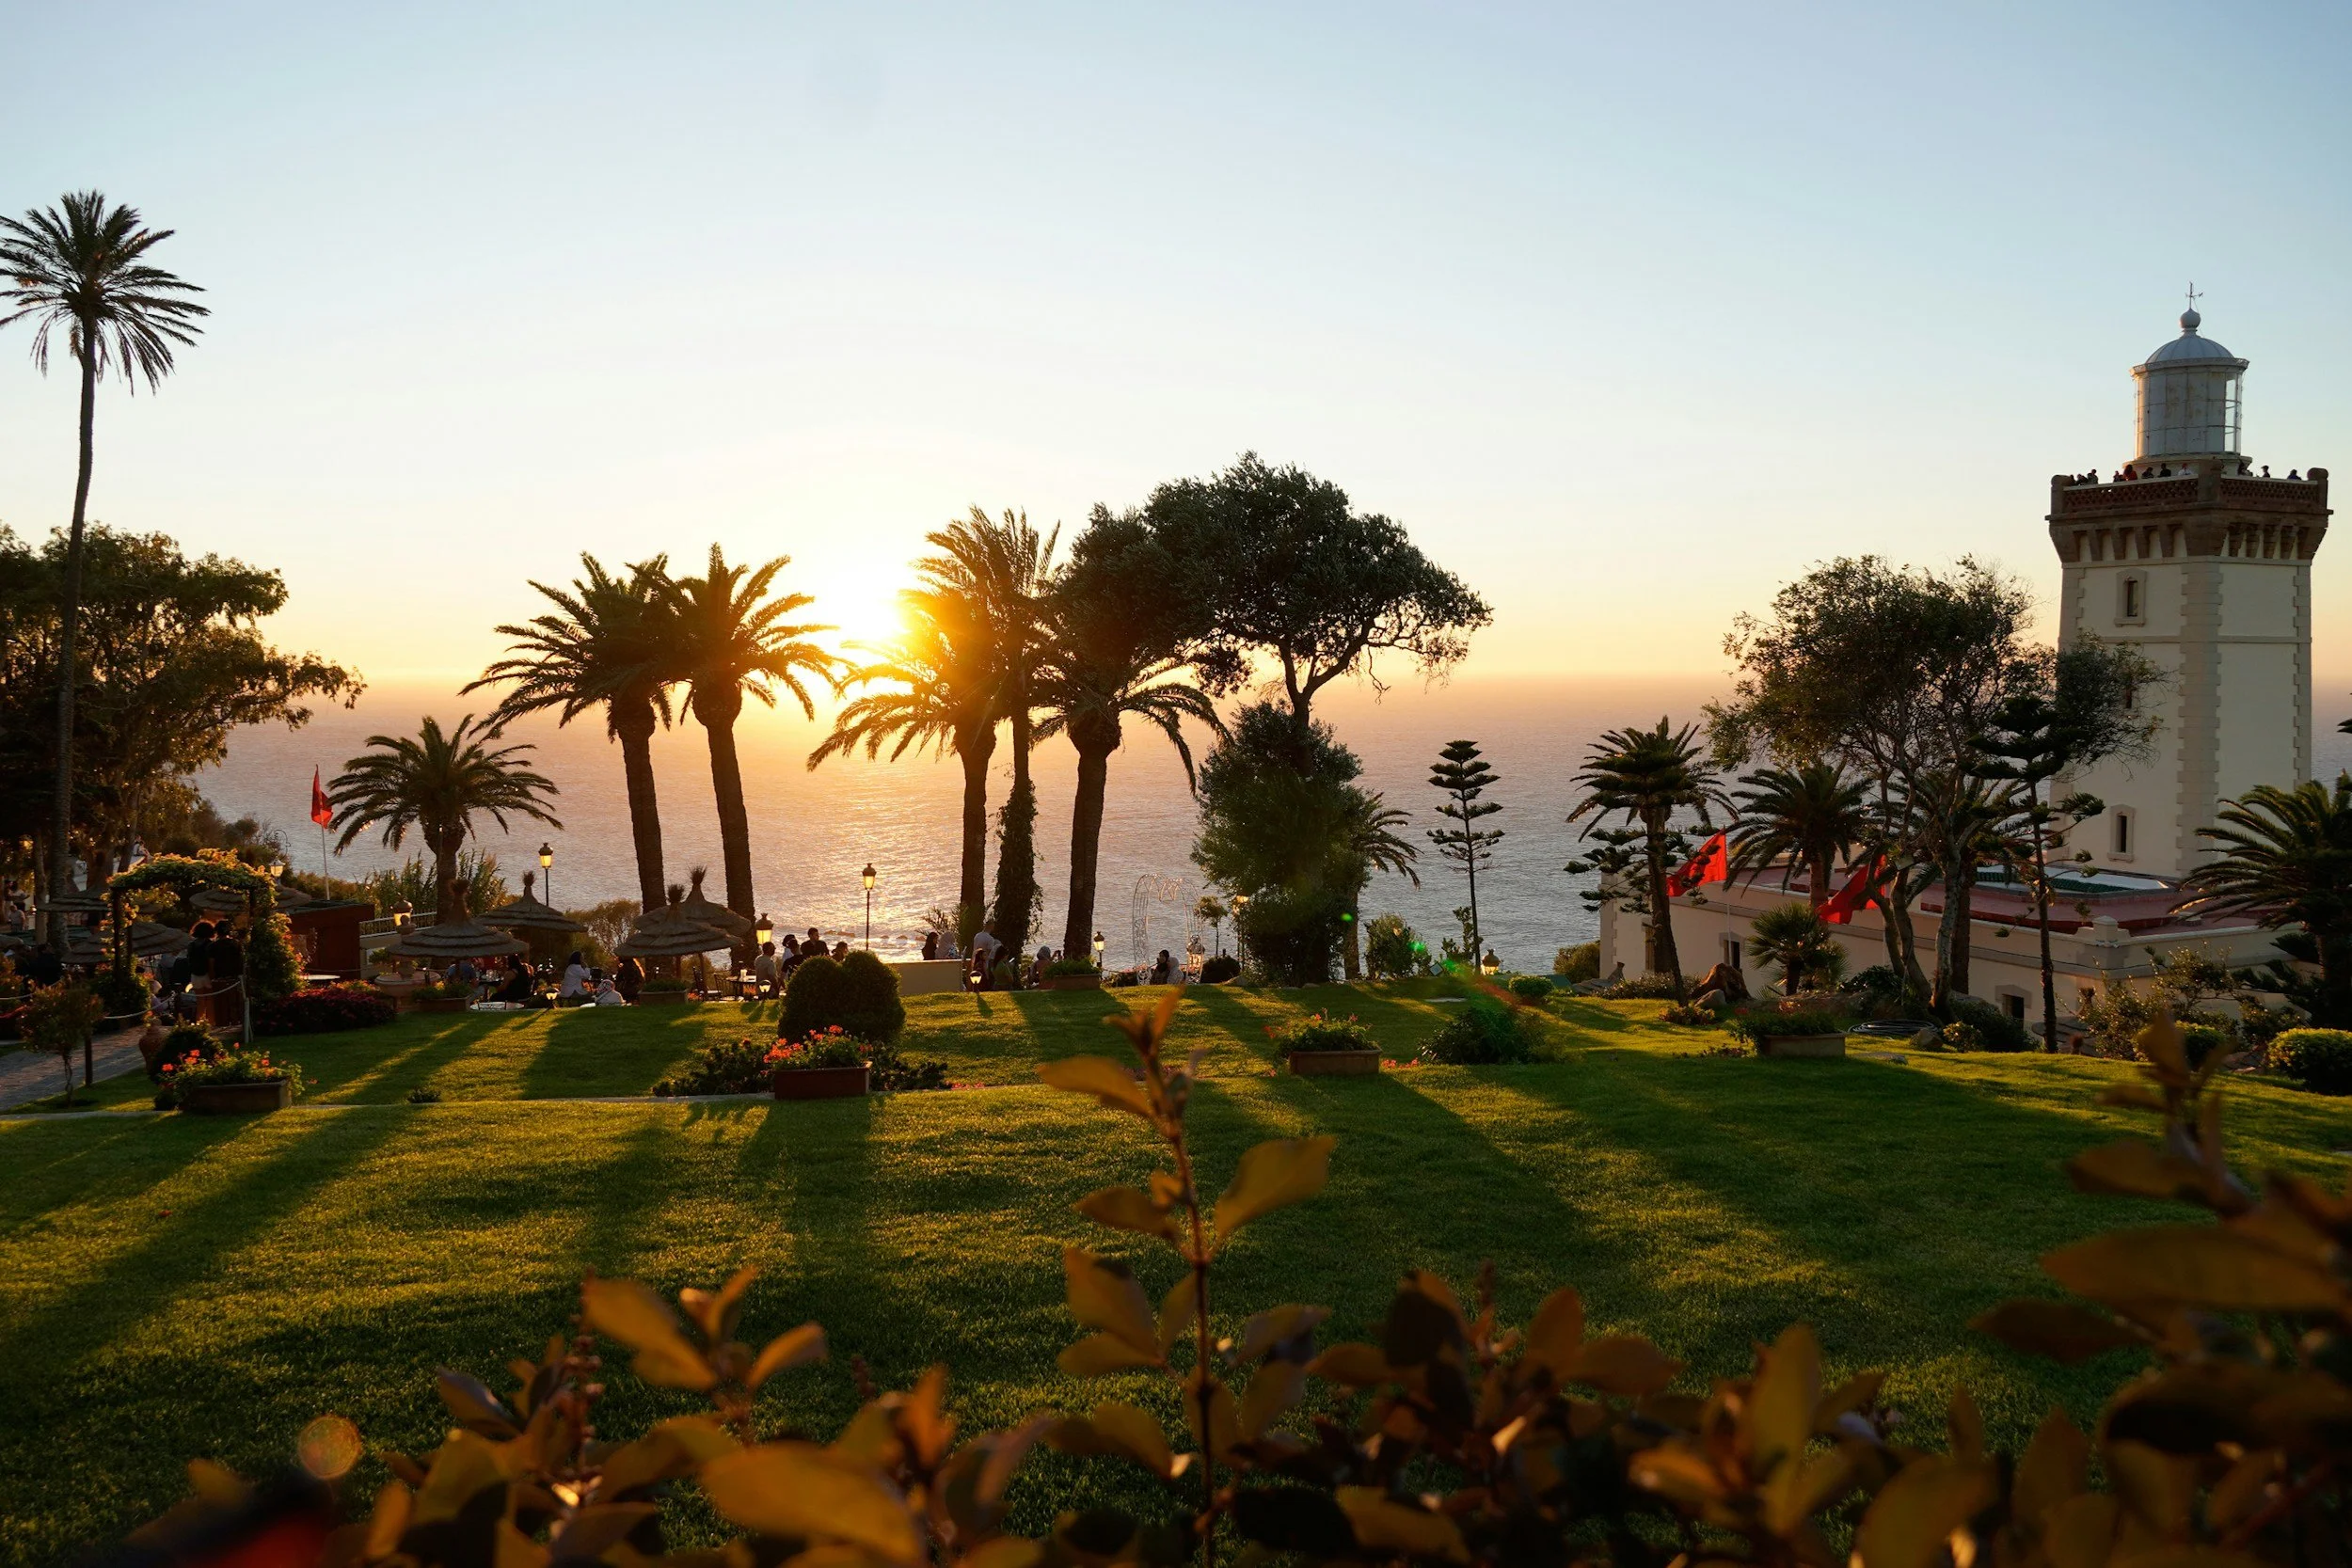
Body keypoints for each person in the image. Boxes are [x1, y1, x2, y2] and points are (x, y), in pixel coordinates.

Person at [968, 921, 1003, 990]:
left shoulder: (977, 936)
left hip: (975, 960)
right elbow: (988, 953)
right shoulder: (990, 939)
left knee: (975, 976)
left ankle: (974, 988)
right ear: (991, 926)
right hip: (984, 962)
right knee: (983, 978)